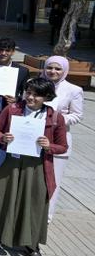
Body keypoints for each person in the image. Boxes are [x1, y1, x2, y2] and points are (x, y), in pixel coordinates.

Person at [0, 78, 68, 256]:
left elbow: (62, 146)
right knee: (3, 198)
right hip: (11, 163)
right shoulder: (12, 109)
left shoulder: (55, 117)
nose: (30, 97)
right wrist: (3, 138)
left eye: (36, 94)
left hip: (37, 166)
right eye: (28, 92)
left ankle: (31, 243)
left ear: (46, 97)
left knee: (34, 203)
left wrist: (49, 146)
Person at [41, 55, 84, 221]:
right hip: (37, 137)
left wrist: (56, 119)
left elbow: (77, 116)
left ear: (64, 70)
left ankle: (47, 215)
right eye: (50, 67)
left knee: (53, 179)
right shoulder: (33, 84)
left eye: (58, 68)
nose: (53, 71)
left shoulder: (74, 90)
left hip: (59, 138)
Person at [0, 37, 29, 113]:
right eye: (0, 50)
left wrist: (17, 99)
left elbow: (25, 93)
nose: (3, 53)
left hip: (11, 109)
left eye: (7, 51)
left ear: (13, 52)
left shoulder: (22, 71)